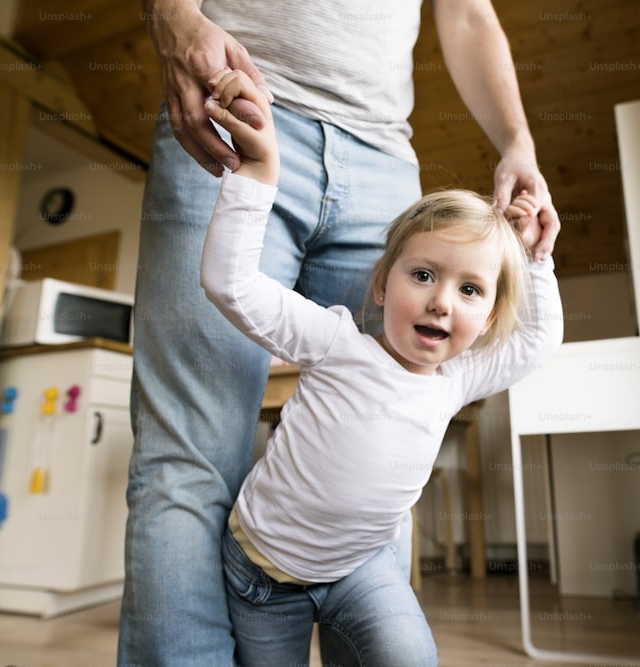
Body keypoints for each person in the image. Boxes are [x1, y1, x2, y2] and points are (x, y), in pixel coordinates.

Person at [121, 2, 562, 665]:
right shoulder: (336, 338)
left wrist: (522, 164)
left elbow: (468, 12)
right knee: (189, 457)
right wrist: (175, 19)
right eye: (424, 277)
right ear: (385, 281)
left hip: (384, 153)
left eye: (469, 290)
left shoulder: (457, 377)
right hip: (240, 110)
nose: (443, 302)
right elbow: (232, 284)